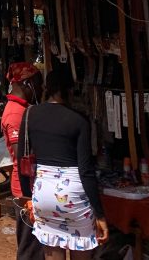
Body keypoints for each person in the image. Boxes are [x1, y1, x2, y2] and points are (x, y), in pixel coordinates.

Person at [18, 66, 108, 258]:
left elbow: (21, 160)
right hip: (74, 196)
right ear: (69, 90)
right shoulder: (79, 121)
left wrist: (28, 197)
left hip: (43, 193)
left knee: (52, 248)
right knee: (82, 249)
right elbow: (86, 170)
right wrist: (100, 214)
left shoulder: (29, 115)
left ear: (46, 88)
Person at [0, 62, 44, 260]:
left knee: (36, 245)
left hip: (29, 185)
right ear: (27, 83)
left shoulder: (22, 109)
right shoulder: (15, 113)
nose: (40, 88)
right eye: (37, 83)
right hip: (25, 188)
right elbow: (22, 155)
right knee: (29, 248)